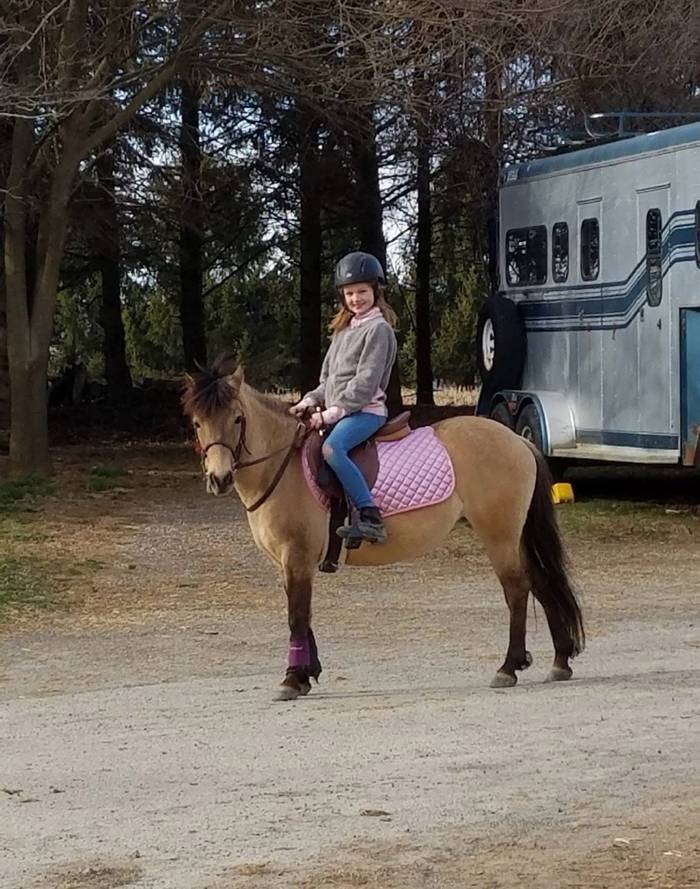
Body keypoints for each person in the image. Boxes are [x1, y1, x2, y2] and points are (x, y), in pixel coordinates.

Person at [290, 251, 398, 543]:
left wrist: (331, 413)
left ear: (375, 291)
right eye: (349, 293)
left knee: (332, 449)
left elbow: (365, 383)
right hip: (341, 410)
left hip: (365, 411)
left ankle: (370, 514)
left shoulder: (379, 330)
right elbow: (328, 380)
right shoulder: (342, 330)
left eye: (362, 291)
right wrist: (309, 401)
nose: (356, 299)